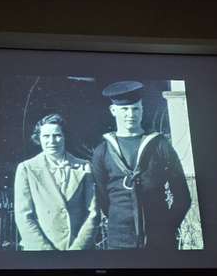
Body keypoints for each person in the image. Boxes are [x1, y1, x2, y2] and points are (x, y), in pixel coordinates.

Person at [91, 81, 191, 250]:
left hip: (160, 241)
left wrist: (166, 226)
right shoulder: (102, 152)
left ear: (142, 109)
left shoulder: (160, 145)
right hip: (119, 242)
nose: (130, 114)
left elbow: (182, 196)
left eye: (135, 108)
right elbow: (103, 199)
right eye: (124, 109)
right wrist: (123, 220)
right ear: (113, 111)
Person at [14, 114, 99, 251]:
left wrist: (79, 248)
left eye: (57, 135)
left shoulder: (84, 167)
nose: (52, 141)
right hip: (41, 251)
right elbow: (23, 216)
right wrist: (46, 251)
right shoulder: (26, 169)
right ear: (38, 139)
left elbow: (93, 213)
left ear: (65, 137)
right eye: (46, 136)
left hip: (79, 249)